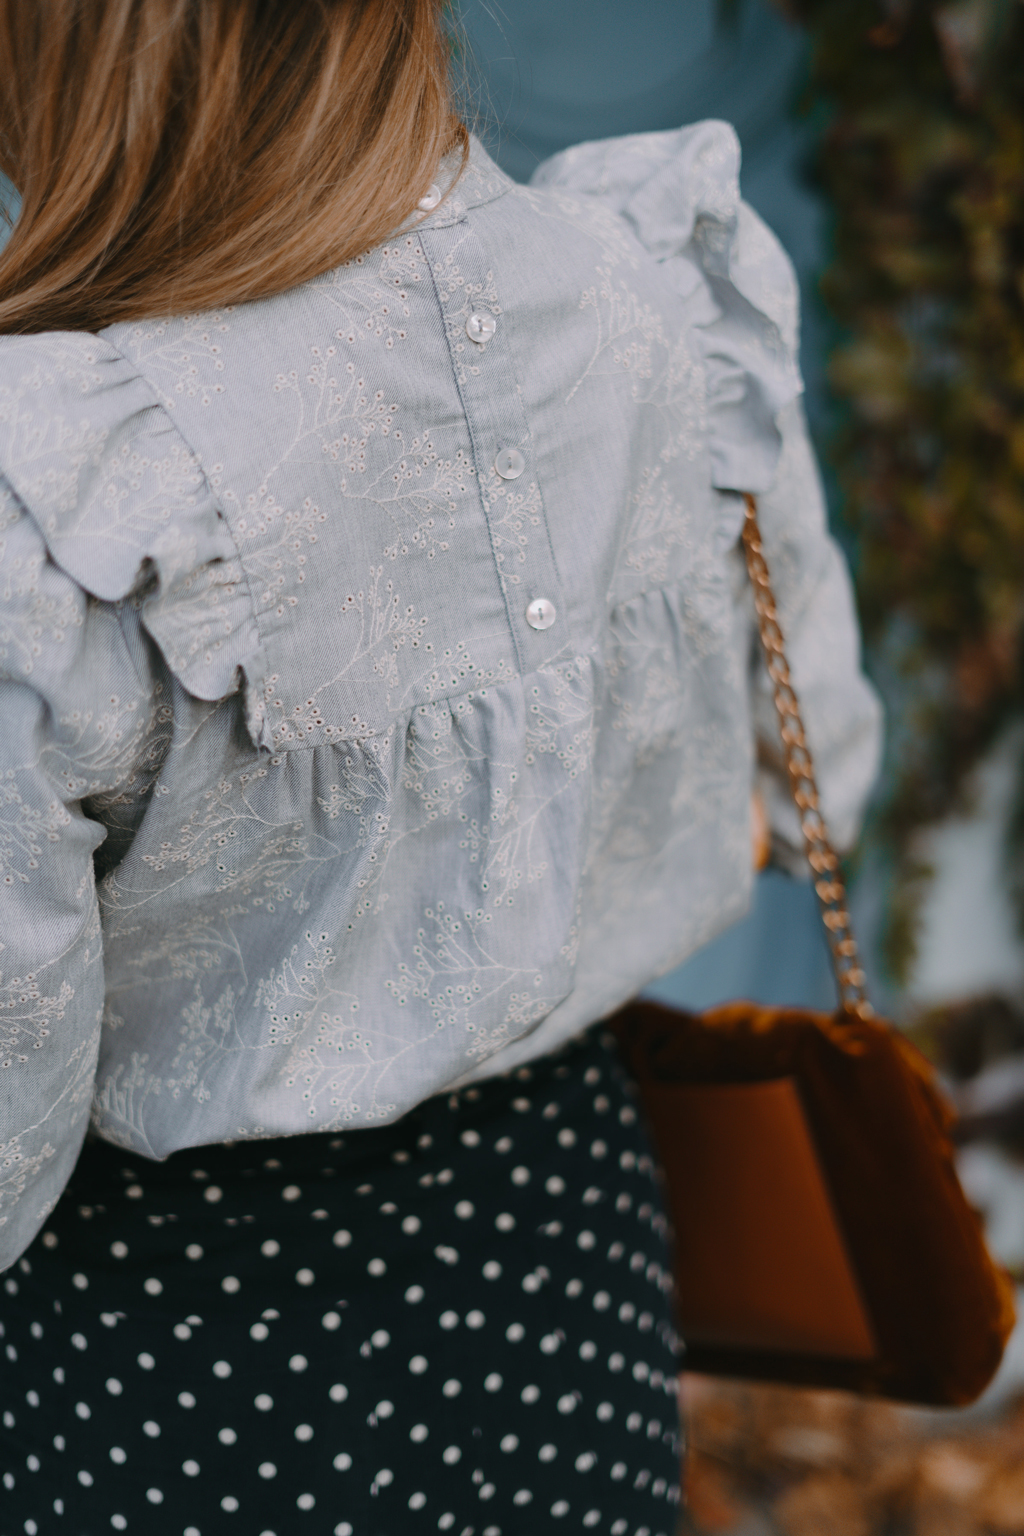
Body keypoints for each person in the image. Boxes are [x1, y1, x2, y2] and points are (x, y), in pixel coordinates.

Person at [0, 2, 881, 1533]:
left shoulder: (65, 479)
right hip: (564, 1230)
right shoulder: (663, 287)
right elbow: (806, 781)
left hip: (181, 1331)